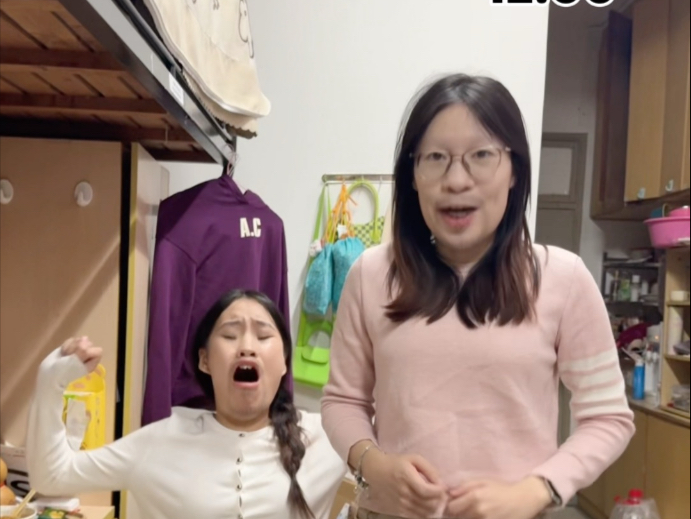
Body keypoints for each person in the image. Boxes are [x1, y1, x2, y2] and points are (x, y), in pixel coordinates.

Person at [321, 74, 635, 519]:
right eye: (435, 157)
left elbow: (608, 418)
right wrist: (373, 465)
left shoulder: (562, 279)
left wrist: (536, 490)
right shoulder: (371, 274)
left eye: (481, 155)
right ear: (413, 175)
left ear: (514, 170)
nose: (456, 180)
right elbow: (342, 402)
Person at [27, 290, 346, 519]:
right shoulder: (161, 440)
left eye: (263, 337)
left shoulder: (329, 436)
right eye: (230, 336)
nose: (247, 347)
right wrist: (51, 379)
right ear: (205, 360)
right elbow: (52, 475)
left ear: (284, 361)